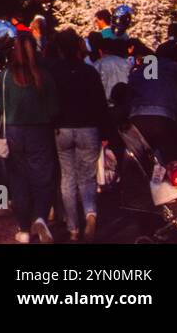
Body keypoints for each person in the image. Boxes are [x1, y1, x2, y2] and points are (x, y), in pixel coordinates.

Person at [0, 31, 59, 243]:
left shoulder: (6, 76)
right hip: (40, 130)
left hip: (14, 131)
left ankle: (24, 228)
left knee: (19, 180)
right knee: (43, 177)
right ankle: (41, 216)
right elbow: (54, 108)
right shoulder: (44, 75)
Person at [48, 28, 108, 240]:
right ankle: (90, 213)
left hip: (62, 128)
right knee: (87, 177)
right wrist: (105, 131)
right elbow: (100, 103)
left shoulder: (54, 73)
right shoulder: (89, 72)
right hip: (88, 127)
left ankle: (73, 228)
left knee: (67, 178)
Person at [126, 40, 177, 163]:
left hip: (136, 121)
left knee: (141, 165)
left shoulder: (141, 70)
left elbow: (128, 94)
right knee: (175, 164)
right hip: (166, 120)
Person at [91, 34, 131, 103]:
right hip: (124, 101)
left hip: (105, 103)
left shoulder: (97, 65)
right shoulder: (125, 62)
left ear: (100, 51)